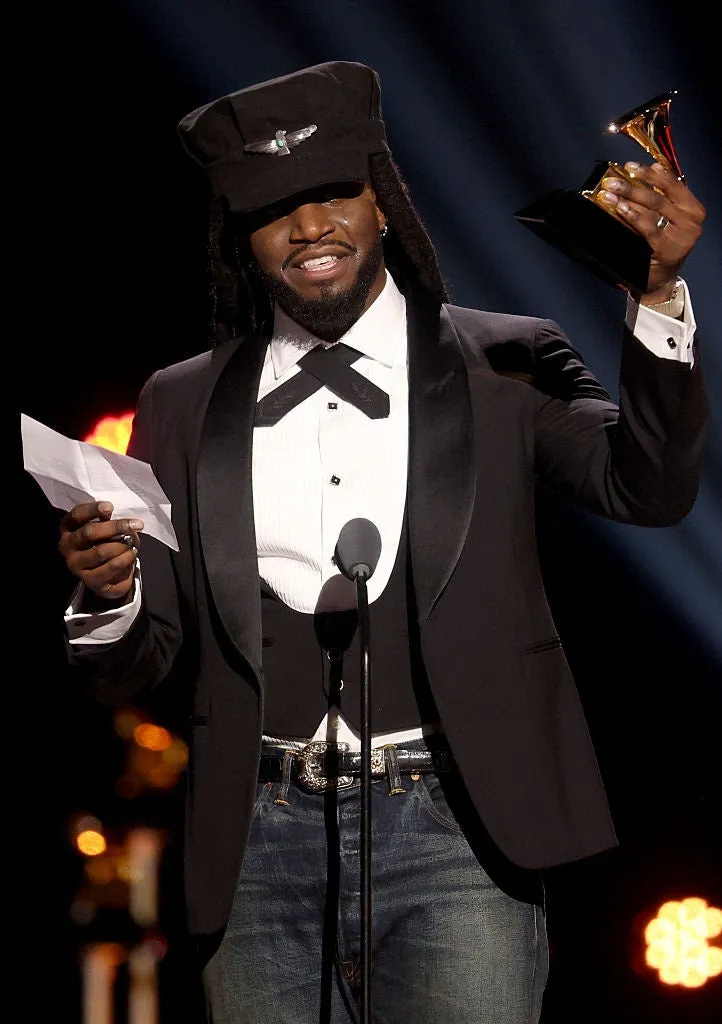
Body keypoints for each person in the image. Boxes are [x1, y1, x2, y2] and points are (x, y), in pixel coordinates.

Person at [57, 61, 707, 1023]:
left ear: (383, 202)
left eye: (333, 194)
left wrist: (656, 295)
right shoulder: (181, 401)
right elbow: (143, 661)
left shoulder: (505, 360)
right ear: (240, 237)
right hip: (257, 845)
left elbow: (645, 487)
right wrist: (111, 595)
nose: (310, 227)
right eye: (275, 209)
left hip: (459, 830)